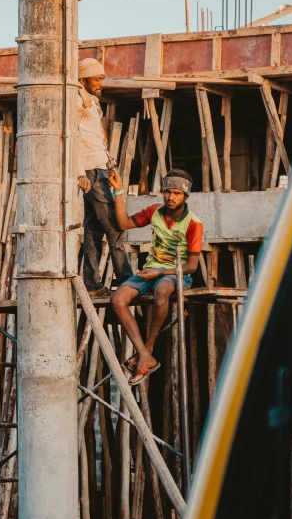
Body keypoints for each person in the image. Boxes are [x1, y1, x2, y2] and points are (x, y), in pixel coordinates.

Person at [109, 168, 203, 386]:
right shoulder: (154, 211)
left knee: (162, 291)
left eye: (177, 193)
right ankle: (144, 354)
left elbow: (191, 266)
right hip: (150, 270)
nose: (171, 197)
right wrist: (118, 191)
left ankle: (148, 347)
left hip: (174, 274)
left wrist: (160, 272)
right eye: (167, 192)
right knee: (117, 299)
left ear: (186, 196)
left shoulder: (193, 223)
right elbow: (123, 224)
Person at [77, 57, 134, 296]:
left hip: (98, 167)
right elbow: (71, 137)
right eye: (97, 79)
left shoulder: (90, 101)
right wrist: (79, 171)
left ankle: (91, 284)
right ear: (83, 79)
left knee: (93, 230)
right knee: (115, 226)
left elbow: (93, 138)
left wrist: (108, 162)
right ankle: (128, 280)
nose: (101, 83)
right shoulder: (76, 101)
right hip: (90, 170)